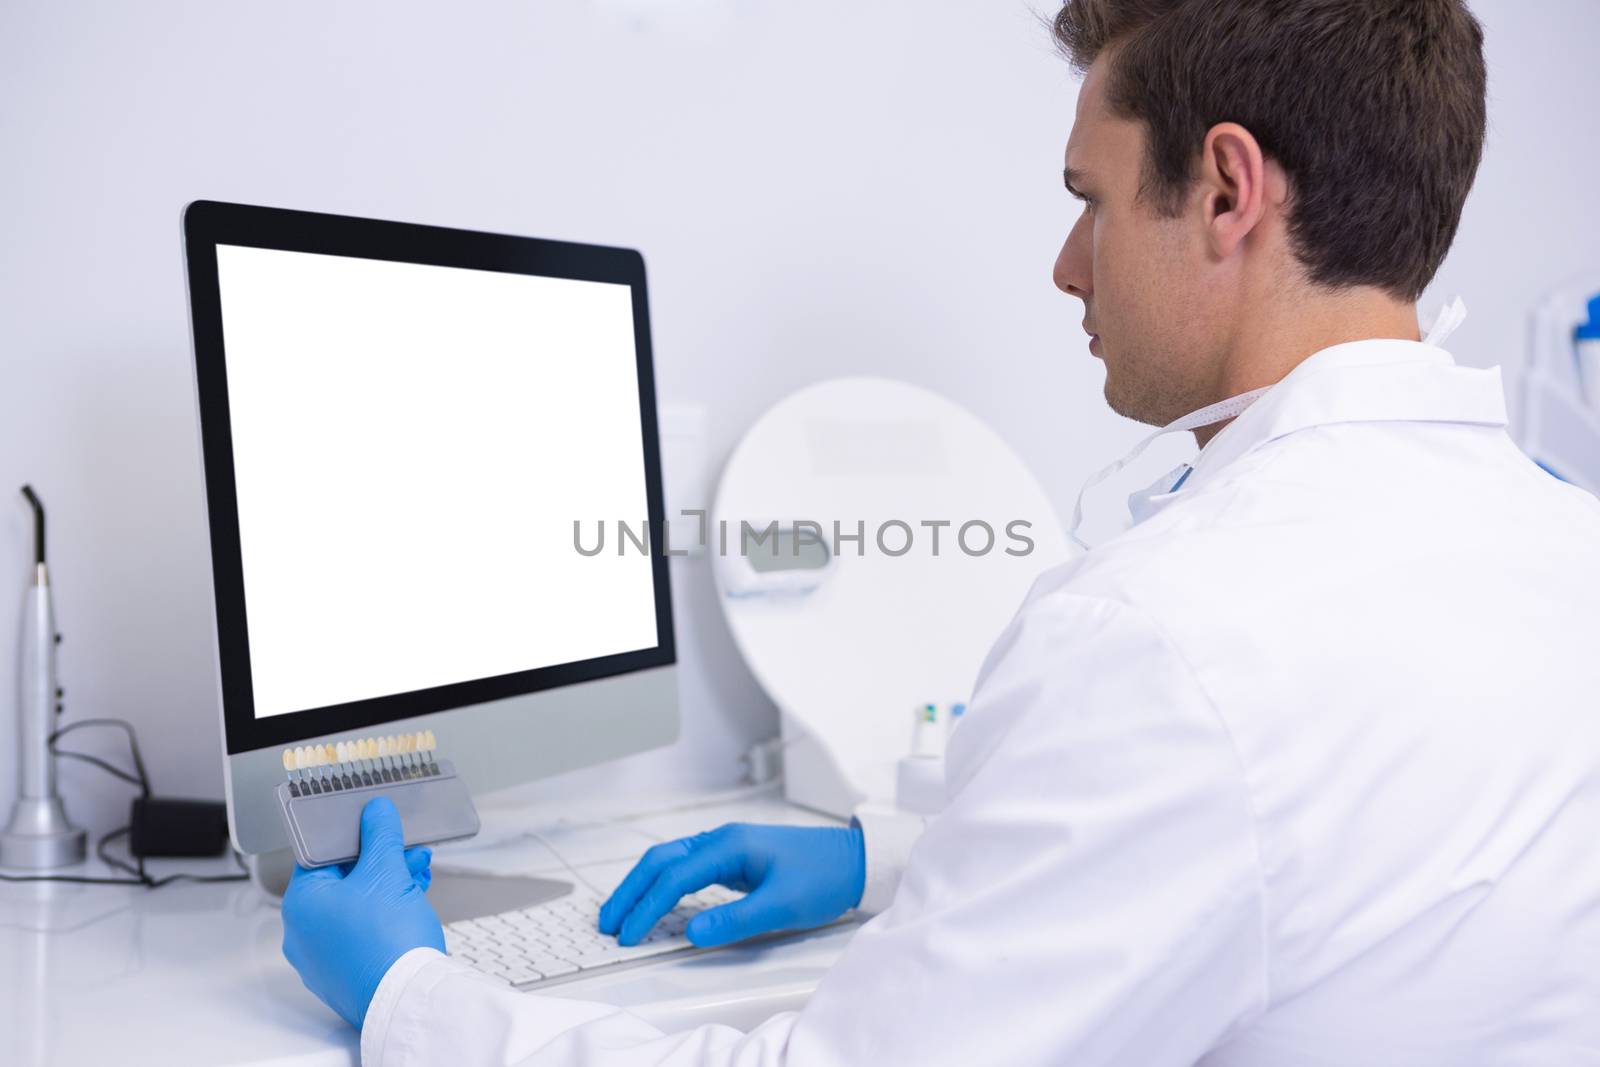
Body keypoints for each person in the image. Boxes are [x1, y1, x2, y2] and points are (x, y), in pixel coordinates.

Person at [281, 1, 1600, 1063]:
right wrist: (890, 860)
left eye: (1090, 198)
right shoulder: (1565, 548)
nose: (1066, 264)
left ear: (1226, 191)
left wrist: (409, 996)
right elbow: (1304, 861)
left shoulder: (1161, 637)